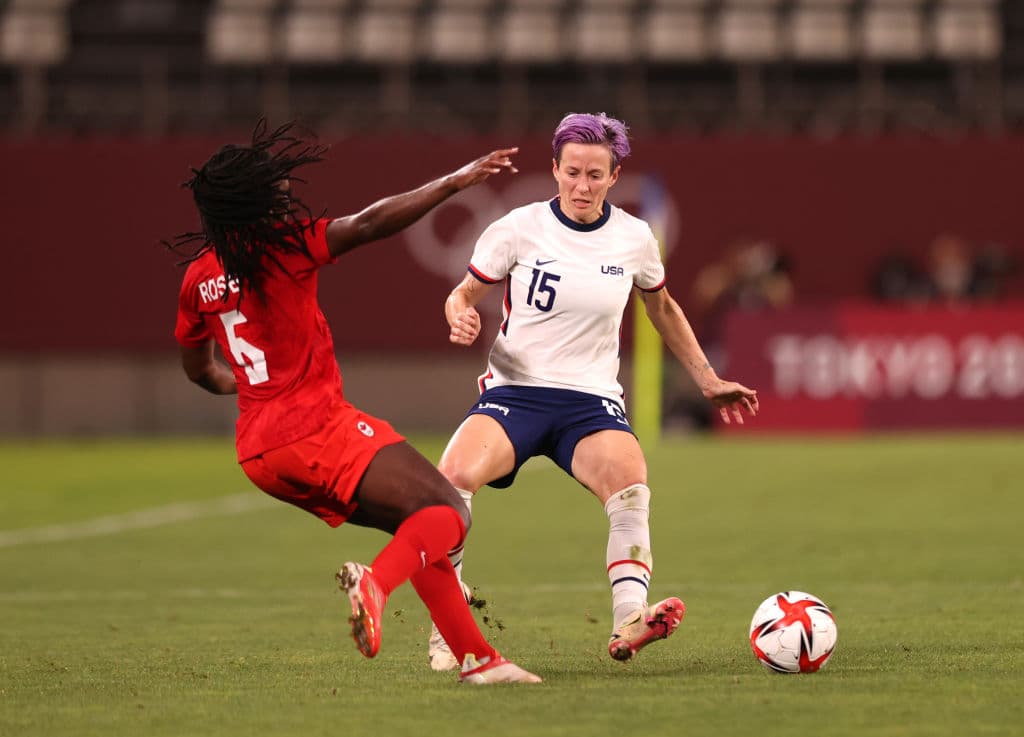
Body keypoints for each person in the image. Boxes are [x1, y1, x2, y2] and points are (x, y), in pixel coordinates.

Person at [168, 120, 540, 685]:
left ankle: (478, 659)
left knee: (416, 528)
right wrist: (455, 182)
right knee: (450, 514)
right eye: (272, 183)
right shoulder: (284, 249)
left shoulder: (198, 278)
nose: (284, 190)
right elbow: (368, 224)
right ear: (251, 199)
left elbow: (199, 370)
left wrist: (248, 387)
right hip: (316, 429)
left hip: (258, 453)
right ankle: (376, 584)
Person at [426, 113, 759, 671]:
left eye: (596, 175)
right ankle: (448, 625)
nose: (583, 186)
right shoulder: (517, 227)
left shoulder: (633, 238)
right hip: (517, 391)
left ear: (614, 176)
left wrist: (707, 378)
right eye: (573, 172)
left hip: (590, 401)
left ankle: (630, 619)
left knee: (630, 483)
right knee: (452, 479)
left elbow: (663, 308)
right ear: (554, 169)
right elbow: (462, 295)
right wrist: (459, 317)